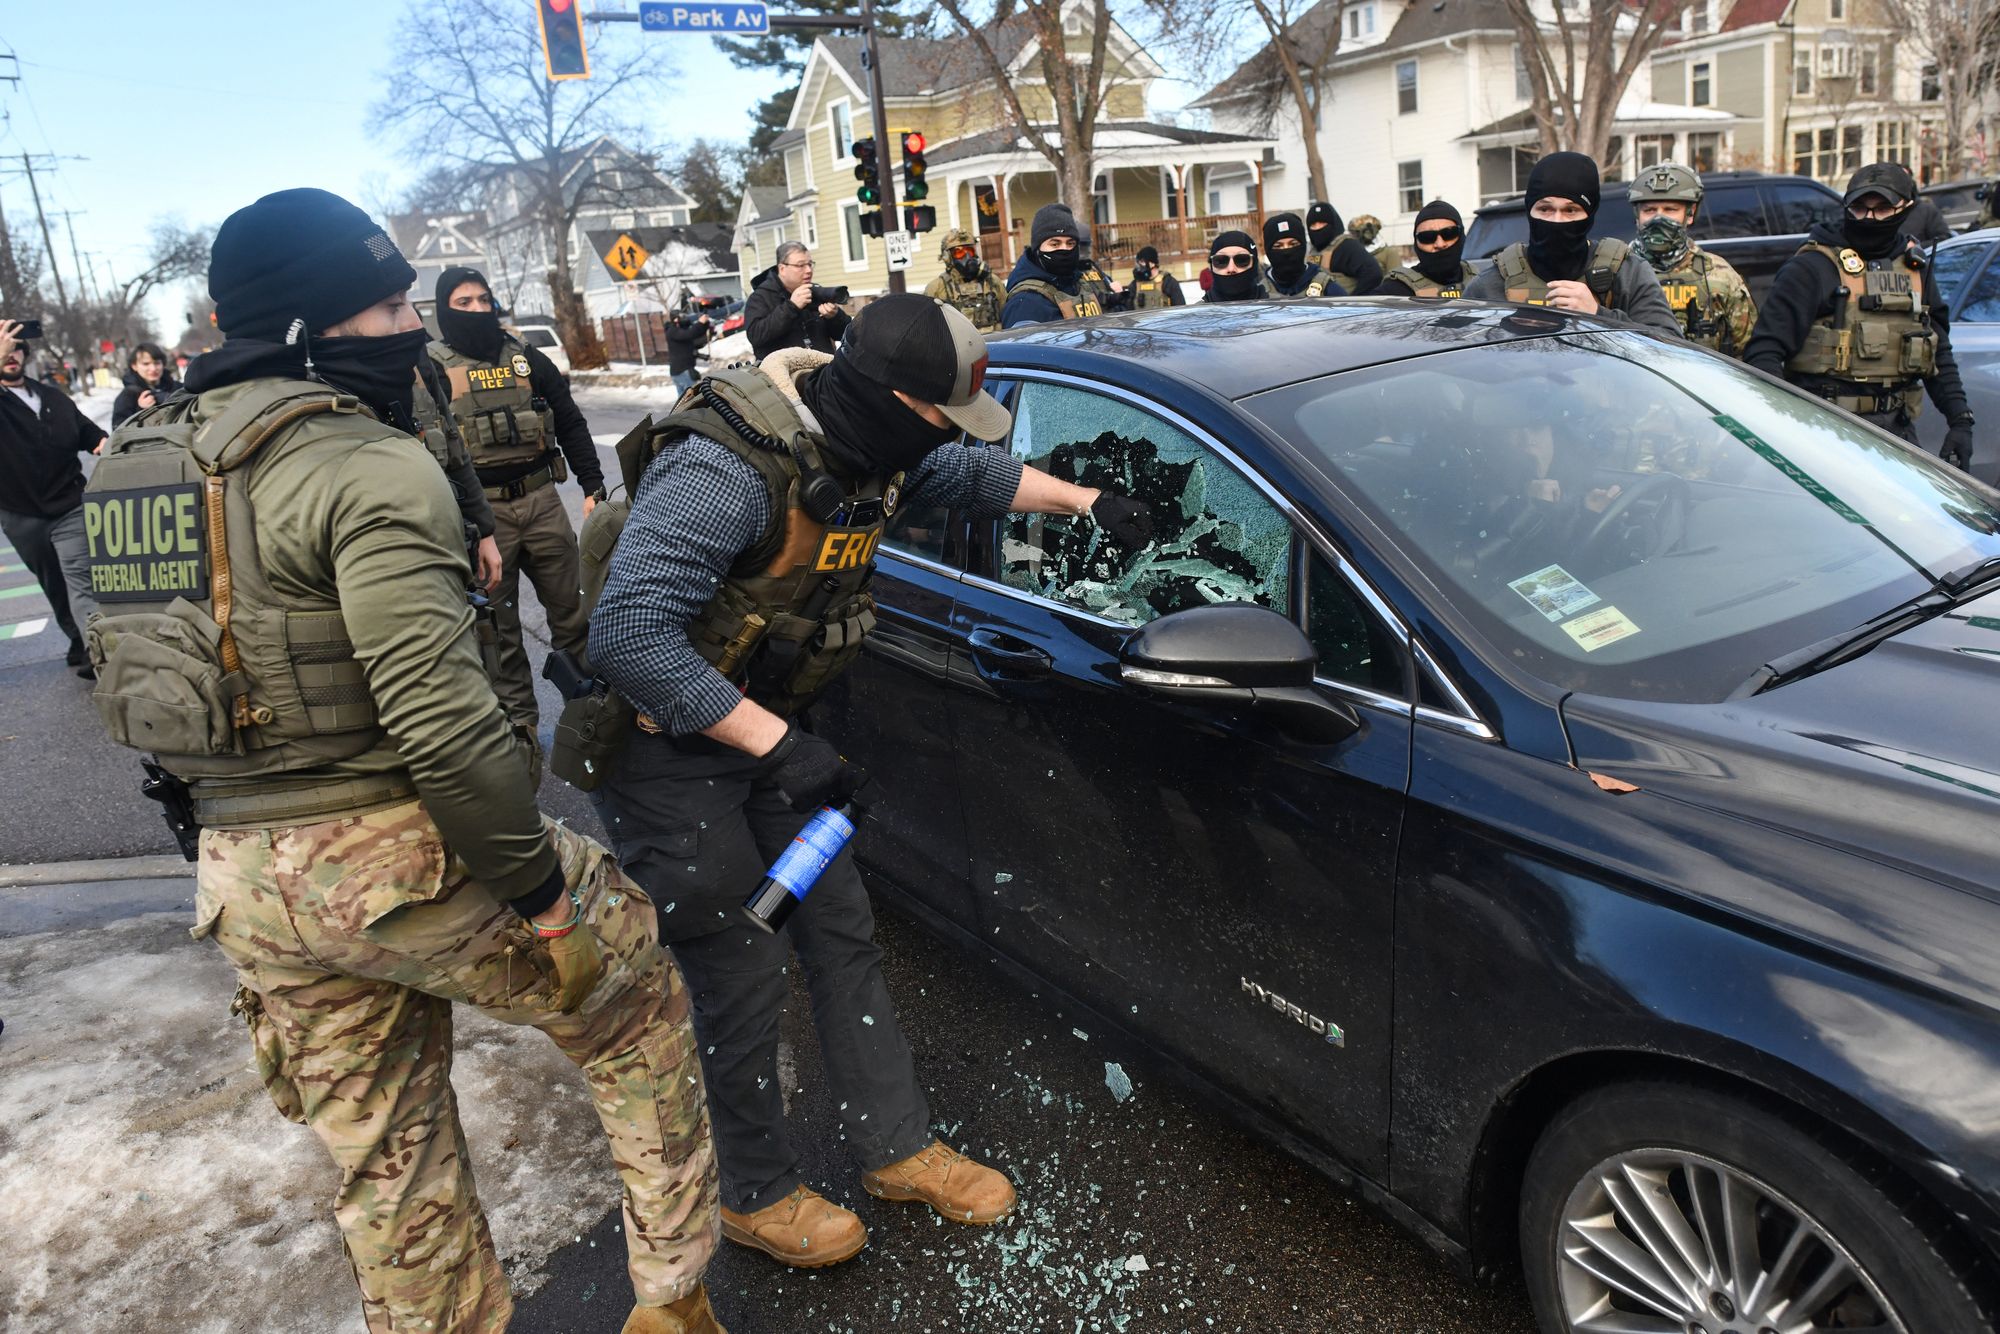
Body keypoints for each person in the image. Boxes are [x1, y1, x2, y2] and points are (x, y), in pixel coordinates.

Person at [81, 188, 721, 1334]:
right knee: (636, 1004)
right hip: (398, 852)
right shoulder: (361, 462)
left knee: (391, 1167)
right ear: (299, 330)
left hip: (241, 874)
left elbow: (134, 675)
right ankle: (674, 1301)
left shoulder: (134, 462)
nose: (408, 330)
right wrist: (538, 897)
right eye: (382, 309)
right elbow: (445, 724)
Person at [586, 293, 1155, 1272]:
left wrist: (1085, 502)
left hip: (771, 735)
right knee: (737, 970)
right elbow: (627, 635)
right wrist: (778, 745)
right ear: (894, 397)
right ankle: (752, 1193)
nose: (947, 435)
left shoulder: (878, 441)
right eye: (942, 412)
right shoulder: (726, 469)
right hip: (668, 753)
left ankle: (897, 1148)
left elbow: (969, 472)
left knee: (840, 930)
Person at [417, 265, 606, 733]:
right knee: (499, 633)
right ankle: (520, 734)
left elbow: (569, 420)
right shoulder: (431, 366)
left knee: (573, 615)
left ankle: (593, 719)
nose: (478, 310)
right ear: (444, 309)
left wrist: (592, 485)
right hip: (483, 516)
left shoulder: (527, 357)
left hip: (542, 502)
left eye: (484, 300)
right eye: (464, 303)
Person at [1745, 161, 1976, 469]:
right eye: (1860, 208)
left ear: (1906, 209)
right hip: (1826, 430)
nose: (1869, 218)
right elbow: (1764, 353)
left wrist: (1959, 420)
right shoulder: (1813, 267)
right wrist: (1786, 428)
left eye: (1882, 209)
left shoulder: (1915, 269)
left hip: (1897, 432)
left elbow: (1937, 351)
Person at [1466, 152, 1679, 335]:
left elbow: (1671, 345)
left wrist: (1598, 314)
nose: (1557, 221)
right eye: (1545, 209)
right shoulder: (1495, 281)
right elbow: (1457, 352)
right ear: (1529, 210)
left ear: (1590, 214)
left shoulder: (1626, 273)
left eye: (1571, 210)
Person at [0, 319, 104, 678]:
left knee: (81, 578)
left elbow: (89, 433)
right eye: (3, 348)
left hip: (68, 506)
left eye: (16, 347)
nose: (10, 355)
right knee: (55, 584)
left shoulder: (52, 397)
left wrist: (110, 446)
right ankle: (79, 639)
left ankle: (101, 652)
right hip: (20, 513)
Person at [1628, 162, 1757, 356]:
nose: (1658, 219)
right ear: (1637, 216)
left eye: (1670, 210)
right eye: (1649, 210)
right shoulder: (1617, 271)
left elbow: (1749, 350)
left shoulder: (1719, 275)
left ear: (1690, 214)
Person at [1002, 203, 1106, 327]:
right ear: (1038, 249)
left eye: (1070, 243)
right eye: (1055, 244)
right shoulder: (1025, 302)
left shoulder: (1080, 285)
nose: (1065, 250)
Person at [745, 243, 849, 361]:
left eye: (810, 264)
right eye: (800, 266)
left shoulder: (816, 292)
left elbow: (846, 335)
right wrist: (791, 306)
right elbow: (756, 336)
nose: (809, 270)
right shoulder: (760, 297)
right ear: (782, 269)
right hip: (781, 374)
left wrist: (834, 317)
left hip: (822, 372)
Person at [1376, 201, 1478, 298]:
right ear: (1416, 243)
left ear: (1461, 236)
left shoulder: (1481, 280)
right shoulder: (1395, 290)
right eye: (1427, 237)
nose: (1440, 244)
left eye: (1449, 233)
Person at [922, 227, 1009, 331]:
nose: (967, 257)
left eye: (970, 251)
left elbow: (1008, 316)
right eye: (959, 252)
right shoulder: (936, 288)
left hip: (995, 345)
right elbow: (929, 328)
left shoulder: (992, 282)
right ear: (948, 257)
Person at [1302, 201, 1384, 294]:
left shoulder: (1347, 246)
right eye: (1313, 225)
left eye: (1322, 223)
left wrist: (1354, 302)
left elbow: (1373, 274)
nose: (1318, 228)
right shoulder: (1311, 250)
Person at [1262, 212, 1338, 298]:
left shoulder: (1327, 287)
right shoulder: (1259, 292)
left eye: (1293, 244)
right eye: (1278, 246)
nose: (1286, 251)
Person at [111, 341, 181, 428]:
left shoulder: (177, 388)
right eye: (146, 364)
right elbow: (118, 431)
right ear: (134, 366)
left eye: (157, 363)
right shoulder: (128, 395)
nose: (153, 368)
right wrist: (141, 410)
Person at [1202, 231, 1268, 303]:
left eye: (1241, 260)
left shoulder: (1279, 307)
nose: (1231, 269)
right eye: (1221, 261)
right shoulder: (1196, 313)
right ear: (1211, 265)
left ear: (1254, 264)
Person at [666, 308, 714, 394]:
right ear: (676, 319)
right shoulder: (673, 331)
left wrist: (705, 323)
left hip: (682, 371)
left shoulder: (678, 330)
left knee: (683, 401)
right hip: (682, 372)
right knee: (690, 399)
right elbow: (690, 334)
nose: (684, 318)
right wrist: (700, 323)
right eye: (682, 317)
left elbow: (695, 334)